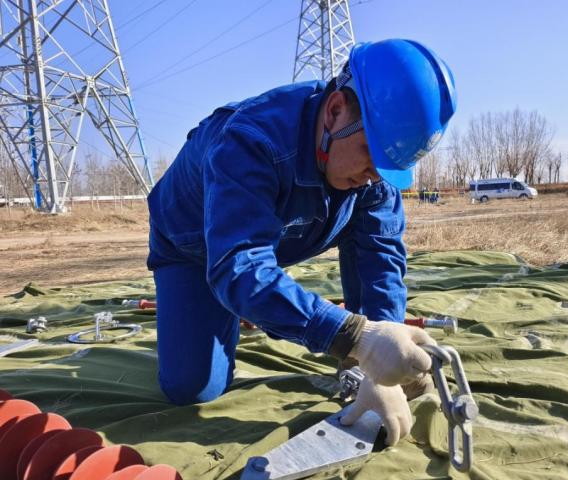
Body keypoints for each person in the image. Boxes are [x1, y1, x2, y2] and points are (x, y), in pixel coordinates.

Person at [146, 39, 457, 445]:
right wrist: (356, 338)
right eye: (371, 154)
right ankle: (227, 310)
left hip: (269, 242)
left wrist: (384, 350)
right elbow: (238, 265)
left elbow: (380, 258)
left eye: (389, 166)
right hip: (194, 249)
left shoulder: (373, 170)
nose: (376, 175)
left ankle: (267, 308)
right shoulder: (250, 142)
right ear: (335, 111)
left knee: (366, 325)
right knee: (193, 387)